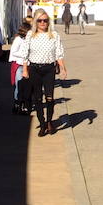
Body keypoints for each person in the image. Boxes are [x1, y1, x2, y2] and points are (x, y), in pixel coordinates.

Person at [24, 9, 67, 137]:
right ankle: (42, 124)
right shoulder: (30, 35)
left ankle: (49, 122)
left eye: (45, 20)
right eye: (40, 20)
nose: (43, 23)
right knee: (38, 98)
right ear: (35, 22)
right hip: (34, 69)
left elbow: (59, 53)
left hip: (49, 69)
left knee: (50, 97)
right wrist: (25, 69)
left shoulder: (54, 35)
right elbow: (25, 53)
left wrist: (63, 68)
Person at [9, 22, 31, 114]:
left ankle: (25, 104)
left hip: (29, 65)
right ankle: (17, 103)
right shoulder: (18, 39)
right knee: (19, 86)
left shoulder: (30, 39)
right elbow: (13, 51)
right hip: (20, 64)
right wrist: (24, 54)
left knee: (28, 87)